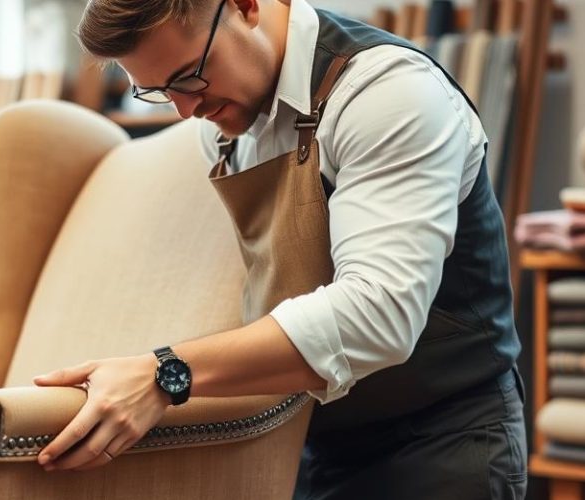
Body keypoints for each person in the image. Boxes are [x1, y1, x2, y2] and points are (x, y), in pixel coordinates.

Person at [30, 0, 527, 498]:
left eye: (189, 76)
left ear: (246, 6)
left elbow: (380, 315)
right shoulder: (225, 127)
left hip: (443, 447)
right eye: (158, 91)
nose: (186, 110)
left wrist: (164, 373)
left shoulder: (386, 92)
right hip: (313, 446)